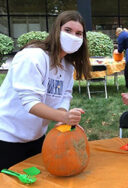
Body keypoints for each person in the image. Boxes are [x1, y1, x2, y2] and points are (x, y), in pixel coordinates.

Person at [0, 10, 91, 170]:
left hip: (36, 137)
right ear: (57, 31)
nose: (73, 37)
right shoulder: (32, 57)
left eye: (79, 34)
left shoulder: (68, 67)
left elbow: (64, 97)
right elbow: (30, 103)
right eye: (68, 30)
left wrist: (62, 120)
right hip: (6, 137)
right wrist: (65, 116)